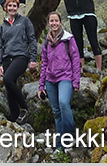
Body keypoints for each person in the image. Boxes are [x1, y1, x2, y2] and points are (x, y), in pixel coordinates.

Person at [38, 12, 81, 155]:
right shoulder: (47, 41)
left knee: (63, 103)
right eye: (52, 21)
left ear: (60, 22)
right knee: (56, 112)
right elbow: (44, 63)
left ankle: (71, 136)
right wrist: (41, 85)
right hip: (50, 80)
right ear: (48, 23)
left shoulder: (68, 39)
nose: (54, 23)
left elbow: (76, 60)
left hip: (65, 77)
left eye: (56, 20)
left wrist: (76, 82)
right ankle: (60, 145)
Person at [0, 0, 38, 124]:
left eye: (14, 6)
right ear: (6, 8)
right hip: (7, 59)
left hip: (21, 56)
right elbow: (0, 46)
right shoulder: (3, 25)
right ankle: (15, 118)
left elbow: (32, 39)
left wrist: (33, 58)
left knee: (7, 79)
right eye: (10, 6)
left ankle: (24, 108)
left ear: (17, 8)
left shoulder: (24, 21)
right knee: (9, 89)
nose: (12, 8)